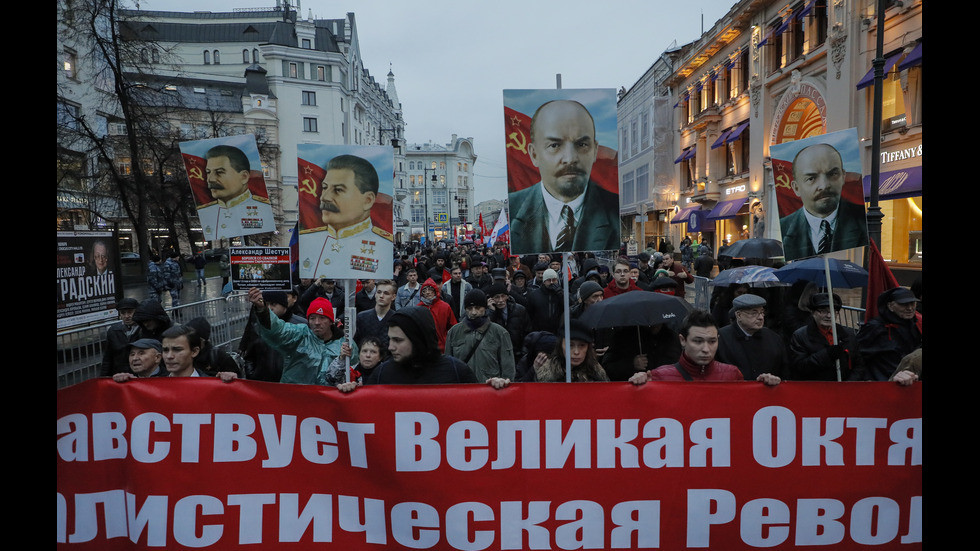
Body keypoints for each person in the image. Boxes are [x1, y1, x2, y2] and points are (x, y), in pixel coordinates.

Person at [508, 99, 619, 253]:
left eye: (581, 145)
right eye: (554, 145)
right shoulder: (514, 210)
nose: (570, 158)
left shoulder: (614, 211)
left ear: (594, 151)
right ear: (534, 154)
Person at [298, 154, 392, 279]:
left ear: (368, 200)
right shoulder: (308, 239)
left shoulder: (384, 245)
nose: (324, 197)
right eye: (324, 187)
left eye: (338, 190)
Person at [338, 306, 477, 390]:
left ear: (418, 340)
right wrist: (351, 395)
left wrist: (495, 390)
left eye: (398, 340)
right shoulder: (382, 374)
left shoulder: (456, 371)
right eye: (390, 339)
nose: (391, 347)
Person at [629, 309, 781, 385]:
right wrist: (638, 386)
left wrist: (762, 390)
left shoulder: (733, 375)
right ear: (683, 340)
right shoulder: (659, 377)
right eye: (698, 341)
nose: (706, 349)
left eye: (712, 341)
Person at [778, 143, 869, 260]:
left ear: (843, 177)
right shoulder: (785, 229)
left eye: (832, 174)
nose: (824, 185)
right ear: (796, 188)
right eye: (811, 178)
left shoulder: (862, 222)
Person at [247, 287, 356, 385]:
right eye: (312, 318)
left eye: (322, 318)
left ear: (331, 321)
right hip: (295, 398)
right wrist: (263, 309)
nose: (317, 322)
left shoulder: (345, 344)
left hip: (329, 402)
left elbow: (357, 371)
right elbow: (278, 330)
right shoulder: (300, 335)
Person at [196, 144, 273, 241]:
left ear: (244, 177)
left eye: (219, 172)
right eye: (208, 172)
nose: (210, 179)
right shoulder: (205, 211)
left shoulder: (264, 209)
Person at [788, 293, 864, 381]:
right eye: (823, 311)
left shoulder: (848, 335)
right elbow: (800, 367)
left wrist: (848, 384)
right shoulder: (800, 336)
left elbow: (859, 365)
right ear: (813, 313)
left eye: (832, 311)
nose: (828, 316)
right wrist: (827, 354)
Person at [446, 289, 516, 383]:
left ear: (485, 308)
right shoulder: (454, 332)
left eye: (478, 308)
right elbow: (448, 366)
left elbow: (508, 368)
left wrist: (505, 387)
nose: (474, 312)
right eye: (470, 308)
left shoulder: (500, 333)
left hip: (490, 390)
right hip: (462, 390)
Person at [238, 290, 306, 382]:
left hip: (291, 385)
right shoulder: (257, 327)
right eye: (266, 304)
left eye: (273, 304)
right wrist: (252, 374)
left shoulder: (301, 326)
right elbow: (250, 356)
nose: (270, 308)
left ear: (284, 305)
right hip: (263, 385)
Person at [855, 287, 922, 381]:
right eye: (904, 304)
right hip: (882, 383)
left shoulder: (915, 324)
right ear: (890, 306)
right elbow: (857, 356)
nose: (910, 308)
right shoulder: (875, 327)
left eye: (912, 303)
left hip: (910, 381)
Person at [716, 294, 787, 381]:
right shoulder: (721, 338)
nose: (760, 317)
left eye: (762, 312)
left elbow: (784, 371)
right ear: (739, 315)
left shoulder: (773, 339)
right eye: (754, 313)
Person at [531, 318, 609, 382]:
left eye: (582, 345)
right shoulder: (546, 375)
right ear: (561, 345)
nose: (576, 352)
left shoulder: (596, 373)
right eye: (570, 345)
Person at [602, 324, 682, 382]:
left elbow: (679, 366)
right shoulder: (623, 337)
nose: (654, 323)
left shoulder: (672, 338)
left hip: (665, 391)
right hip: (632, 393)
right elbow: (607, 367)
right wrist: (631, 364)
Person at [160, 324, 237, 381]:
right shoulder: (155, 388)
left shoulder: (212, 385)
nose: (169, 356)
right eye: (165, 350)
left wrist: (234, 385)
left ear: (194, 351)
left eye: (177, 350)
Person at [100, 297, 142, 377]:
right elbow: (108, 357)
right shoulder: (113, 331)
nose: (126, 316)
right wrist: (104, 377)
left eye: (130, 312)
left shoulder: (143, 329)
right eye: (123, 313)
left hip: (139, 375)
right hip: (119, 375)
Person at [322, 336, 387, 387]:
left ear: (380, 357)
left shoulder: (385, 373)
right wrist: (341, 359)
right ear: (359, 354)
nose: (368, 355)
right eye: (364, 351)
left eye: (373, 352)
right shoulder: (350, 371)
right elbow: (331, 379)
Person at [417, 277, 456, 353]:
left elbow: (453, 327)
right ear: (422, 293)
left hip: (443, 348)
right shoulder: (418, 308)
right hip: (423, 349)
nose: (428, 292)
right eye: (425, 290)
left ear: (435, 291)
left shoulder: (445, 307)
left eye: (430, 289)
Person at [354, 279, 396, 350]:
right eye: (379, 292)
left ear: (393, 297)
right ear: (375, 294)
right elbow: (356, 343)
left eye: (386, 293)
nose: (381, 296)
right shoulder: (362, 317)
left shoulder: (397, 319)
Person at [525, 268, 564, 334]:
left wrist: (562, 295)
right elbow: (529, 314)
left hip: (558, 332)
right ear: (544, 281)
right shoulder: (534, 295)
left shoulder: (562, 294)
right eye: (549, 280)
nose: (552, 282)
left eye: (554, 280)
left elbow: (570, 307)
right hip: (539, 332)